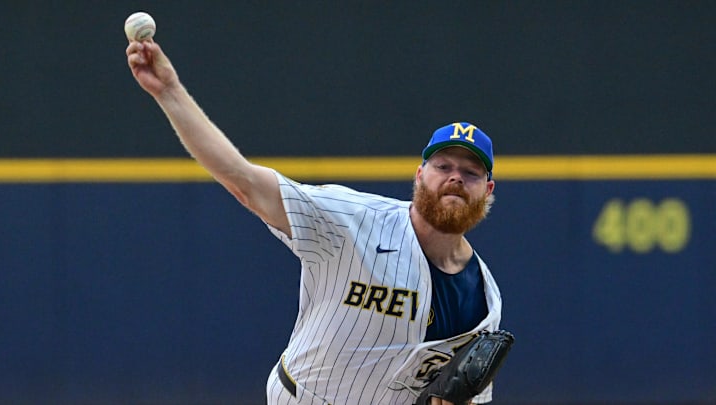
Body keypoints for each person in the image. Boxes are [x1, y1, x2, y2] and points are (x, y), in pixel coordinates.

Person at [126, 39, 504, 405]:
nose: (455, 178)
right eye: (443, 166)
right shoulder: (350, 220)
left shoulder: (484, 300)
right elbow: (243, 180)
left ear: (487, 190)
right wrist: (170, 91)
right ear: (420, 175)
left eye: (470, 172)